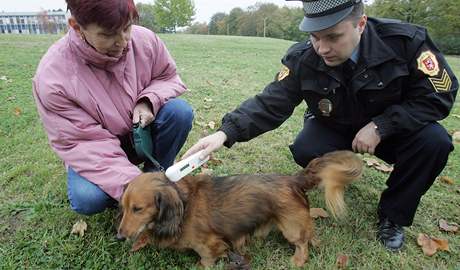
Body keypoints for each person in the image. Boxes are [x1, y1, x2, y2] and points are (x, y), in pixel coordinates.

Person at [183, 0, 458, 251]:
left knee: (434, 143)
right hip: (335, 126)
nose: (322, 48)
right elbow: (271, 102)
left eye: (333, 37)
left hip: (395, 131)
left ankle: (393, 215)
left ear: (360, 24)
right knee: (306, 147)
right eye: (314, 37)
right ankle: (341, 171)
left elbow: (439, 95)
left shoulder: (406, 42)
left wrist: (381, 125)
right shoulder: (305, 57)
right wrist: (224, 133)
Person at [33, 0, 193, 216]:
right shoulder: (53, 78)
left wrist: (148, 101)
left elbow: (168, 77)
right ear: (76, 27)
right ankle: (145, 191)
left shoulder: (144, 40)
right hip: (94, 151)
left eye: (126, 28)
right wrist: (139, 189)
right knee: (88, 198)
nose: (123, 42)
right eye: (108, 34)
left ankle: (157, 177)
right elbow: (83, 144)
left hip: (139, 137)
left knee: (179, 112)